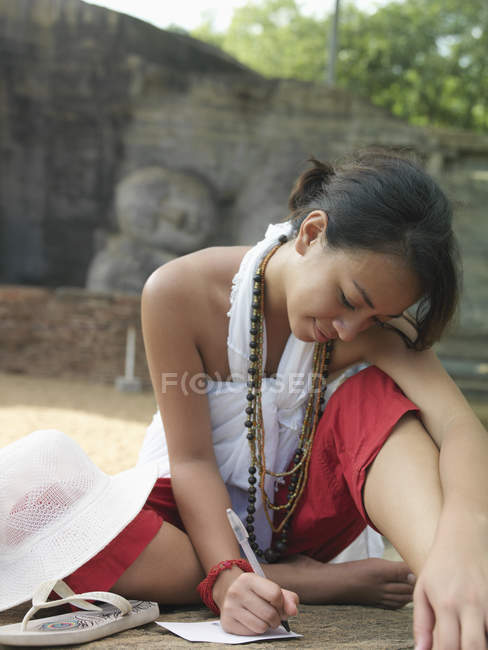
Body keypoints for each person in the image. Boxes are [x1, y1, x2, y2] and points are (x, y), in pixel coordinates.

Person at [3, 149, 487, 650]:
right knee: (39, 508)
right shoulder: (177, 292)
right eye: (348, 299)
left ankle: (454, 586)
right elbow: (190, 460)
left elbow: (459, 427)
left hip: (309, 512)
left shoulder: (376, 328)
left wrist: (460, 542)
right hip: (192, 517)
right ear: (311, 233)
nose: (350, 329)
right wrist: (225, 577)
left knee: (376, 398)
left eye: (374, 317)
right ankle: (304, 580)